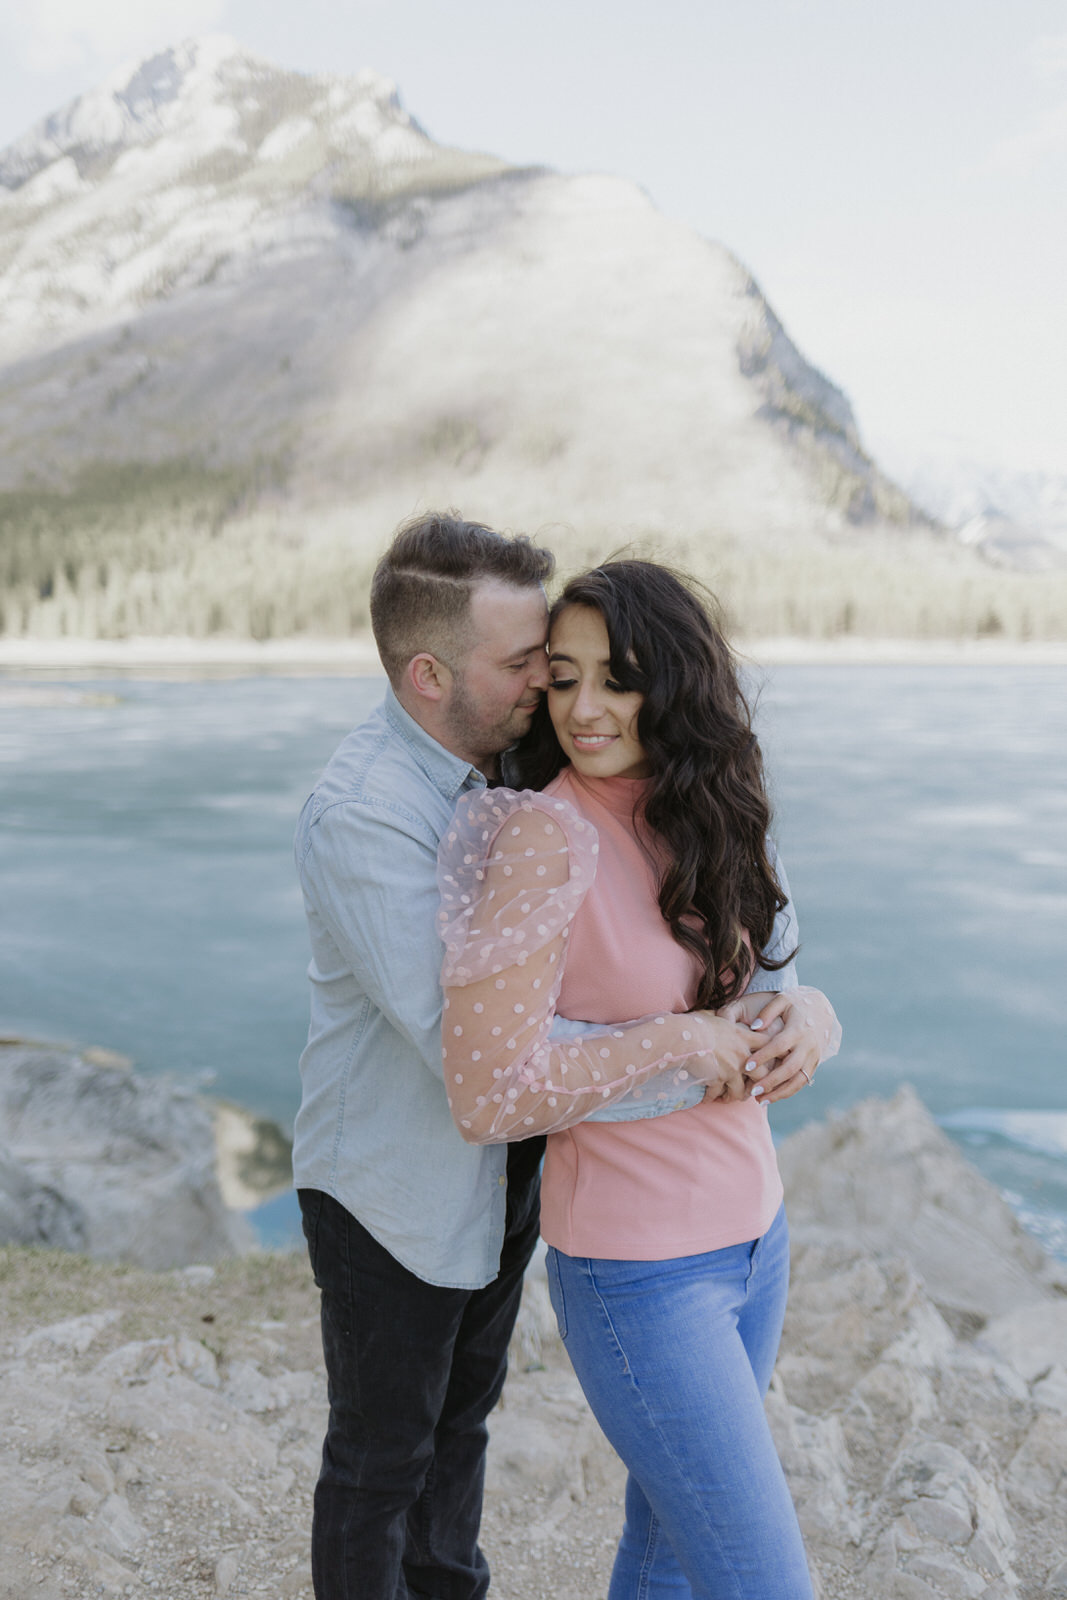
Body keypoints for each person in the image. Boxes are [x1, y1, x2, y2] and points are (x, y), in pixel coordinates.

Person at [292, 515, 770, 1600]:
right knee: (381, 1460)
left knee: (460, 1428)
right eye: (524, 666)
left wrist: (782, 1008)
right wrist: (688, 1042)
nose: (544, 690)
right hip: (390, 1183)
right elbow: (477, 1054)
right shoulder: (363, 819)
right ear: (428, 675)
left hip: (507, 1170)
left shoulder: (507, 757)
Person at [437, 559, 841, 1599]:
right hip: (638, 1272)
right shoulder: (541, 835)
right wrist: (677, 1042)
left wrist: (812, 1018)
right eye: (561, 677)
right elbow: (487, 1091)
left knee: (665, 1549)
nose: (581, 707)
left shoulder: (708, 808)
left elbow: (772, 977)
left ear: (670, 683)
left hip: (757, 1235)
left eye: (612, 677)